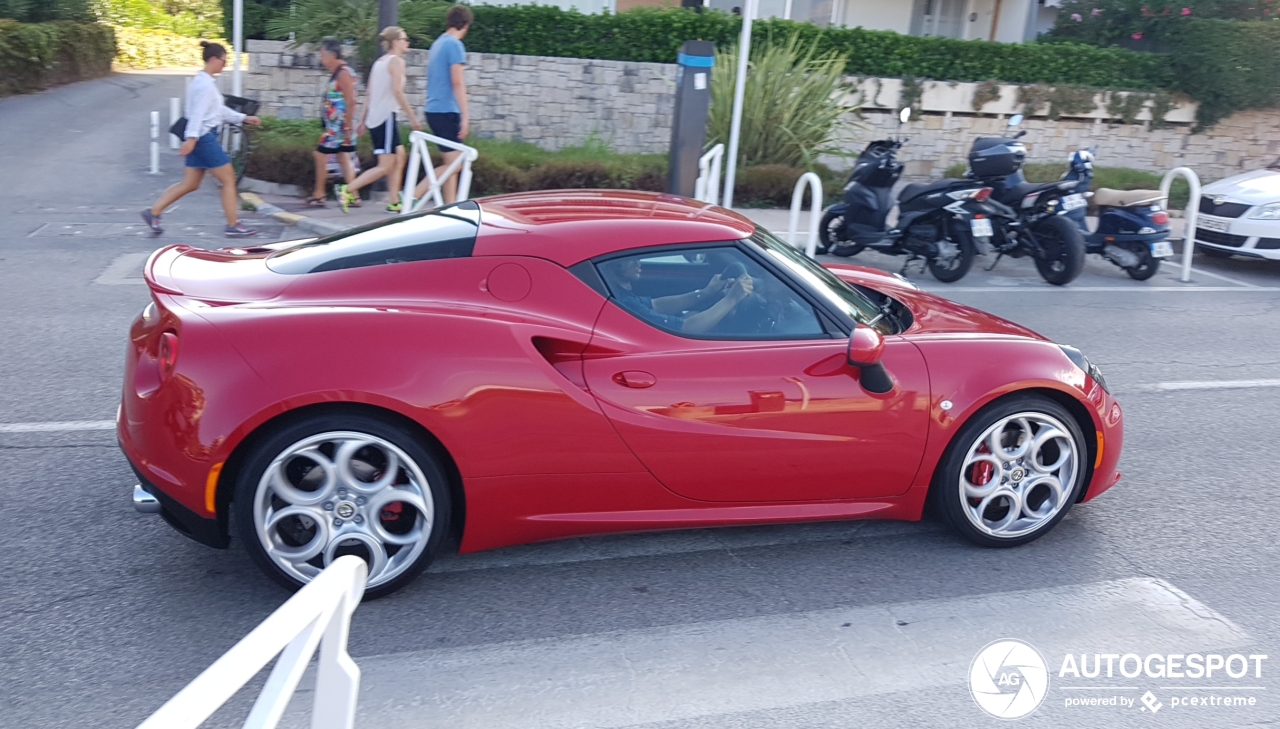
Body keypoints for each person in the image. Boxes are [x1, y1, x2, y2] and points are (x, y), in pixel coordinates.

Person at [141, 41, 262, 238]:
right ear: (214, 59)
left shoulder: (203, 83)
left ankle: (153, 212)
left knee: (190, 183)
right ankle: (233, 224)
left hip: (200, 137)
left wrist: (243, 118)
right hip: (204, 138)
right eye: (223, 61)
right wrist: (191, 139)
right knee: (229, 178)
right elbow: (197, 115)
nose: (225, 65)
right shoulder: (205, 86)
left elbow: (216, 111)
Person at [337, 26, 421, 214]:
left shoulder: (379, 63)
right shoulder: (396, 62)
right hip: (386, 118)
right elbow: (397, 92)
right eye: (405, 39)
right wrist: (413, 118)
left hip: (378, 118)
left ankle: (394, 202)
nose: (407, 42)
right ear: (396, 42)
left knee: (399, 158)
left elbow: (369, 93)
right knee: (385, 166)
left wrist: (362, 120)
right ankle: (348, 189)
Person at [414, 4, 473, 205]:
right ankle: (413, 195)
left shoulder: (438, 43)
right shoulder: (455, 45)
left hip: (434, 110)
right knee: (457, 164)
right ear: (465, 25)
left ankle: (450, 206)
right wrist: (466, 116)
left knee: (451, 162)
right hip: (447, 110)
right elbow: (457, 82)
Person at [605, 258, 754, 335]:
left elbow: (656, 305)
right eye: (631, 259)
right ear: (611, 265)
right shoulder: (624, 303)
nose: (638, 263)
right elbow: (687, 328)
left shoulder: (617, 293)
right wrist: (731, 299)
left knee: (692, 314)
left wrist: (705, 292)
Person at [306, 37, 358, 208]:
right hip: (337, 126)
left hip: (339, 127)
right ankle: (354, 195)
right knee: (343, 157)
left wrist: (349, 125)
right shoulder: (338, 72)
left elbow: (351, 101)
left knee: (321, 154)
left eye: (323, 54)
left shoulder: (343, 72)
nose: (321, 59)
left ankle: (320, 193)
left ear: (333, 54)